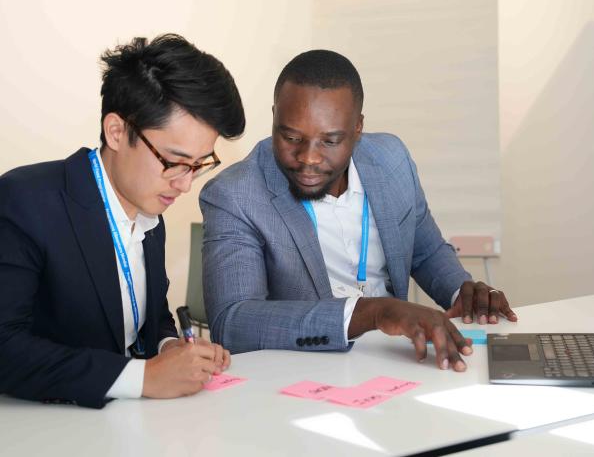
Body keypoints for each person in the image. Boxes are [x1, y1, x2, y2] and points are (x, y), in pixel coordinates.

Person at [200, 49, 517, 372]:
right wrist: (373, 313)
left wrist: (459, 291)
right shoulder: (235, 194)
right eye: (291, 136)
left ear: (357, 128)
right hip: (302, 375)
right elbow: (234, 321)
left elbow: (426, 251)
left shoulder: (392, 160)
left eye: (330, 141)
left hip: (398, 359)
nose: (308, 157)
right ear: (274, 116)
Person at [0, 34, 245, 408]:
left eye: (198, 166)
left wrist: (171, 347)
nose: (183, 184)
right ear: (117, 131)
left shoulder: (149, 208)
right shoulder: (25, 201)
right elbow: (6, 348)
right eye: (174, 161)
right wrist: (143, 377)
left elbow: (150, 317)